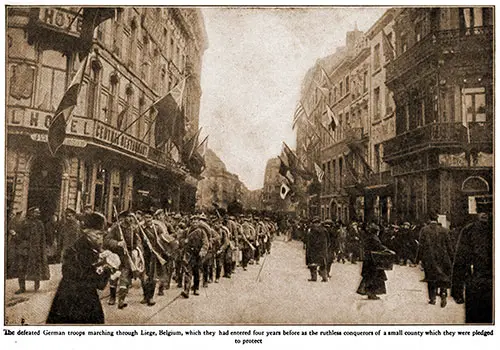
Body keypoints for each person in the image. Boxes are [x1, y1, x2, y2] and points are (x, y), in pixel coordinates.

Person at [46, 212, 115, 324]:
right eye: (97, 234)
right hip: (77, 300)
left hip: (73, 297)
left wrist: (103, 262)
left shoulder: (86, 247)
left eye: (101, 235)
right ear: (86, 232)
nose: (100, 238)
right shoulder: (82, 251)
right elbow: (97, 282)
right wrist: (108, 269)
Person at [451, 199, 493, 323]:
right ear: (477, 213)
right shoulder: (469, 231)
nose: (485, 214)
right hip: (476, 283)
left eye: (488, 211)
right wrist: (457, 290)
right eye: (481, 211)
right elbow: (460, 261)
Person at [104, 210, 143, 309]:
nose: (131, 219)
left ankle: (121, 300)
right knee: (114, 277)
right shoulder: (117, 227)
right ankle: (112, 297)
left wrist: (137, 250)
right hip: (116, 255)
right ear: (124, 218)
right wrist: (117, 243)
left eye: (132, 217)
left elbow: (138, 241)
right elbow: (107, 240)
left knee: (125, 277)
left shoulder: (133, 229)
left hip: (128, 256)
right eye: (129, 217)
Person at [418, 212, 454, 307]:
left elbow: (421, 246)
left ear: (429, 219)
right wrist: (452, 258)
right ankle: (443, 294)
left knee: (431, 278)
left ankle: (432, 298)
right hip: (443, 257)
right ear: (437, 219)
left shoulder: (424, 230)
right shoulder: (445, 230)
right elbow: (449, 246)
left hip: (430, 258)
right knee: (443, 277)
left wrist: (418, 259)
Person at [14, 207, 50, 294]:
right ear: (31, 213)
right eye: (36, 212)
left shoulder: (40, 224)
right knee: (21, 268)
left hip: (36, 250)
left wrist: (43, 249)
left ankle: (36, 284)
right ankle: (22, 288)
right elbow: (20, 236)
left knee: (36, 268)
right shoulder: (24, 223)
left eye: (38, 212)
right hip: (25, 250)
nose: (38, 214)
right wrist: (15, 235)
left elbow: (42, 238)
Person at [356, 222, 394, 300]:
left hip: (369, 259)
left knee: (369, 276)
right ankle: (371, 293)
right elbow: (379, 246)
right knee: (374, 277)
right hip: (373, 260)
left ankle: (366, 291)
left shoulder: (369, 237)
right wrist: (387, 250)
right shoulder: (374, 237)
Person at [305, 217, 329, 282]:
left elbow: (328, 240)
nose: (315, 225)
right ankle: (320, 277)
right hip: (319, 250)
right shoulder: (323, 230)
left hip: (315, 250)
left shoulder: (314, 231)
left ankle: (321, 277)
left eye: (316, 223)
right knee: (319, 264)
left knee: (316, 264)